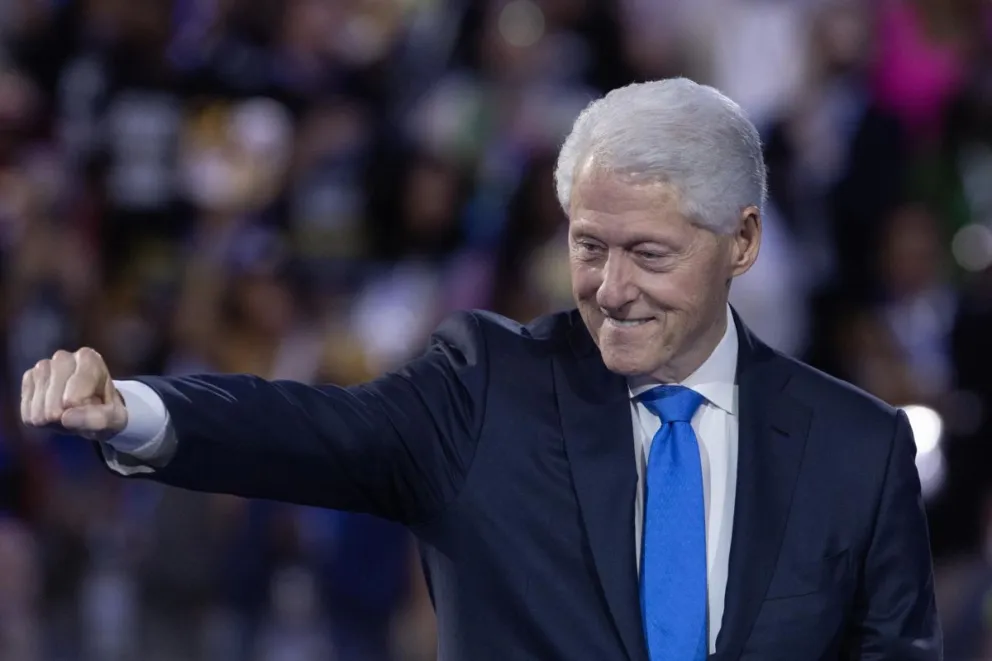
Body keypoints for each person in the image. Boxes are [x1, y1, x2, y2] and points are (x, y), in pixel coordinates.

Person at [20, 78, 941, 660]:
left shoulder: (858, 448)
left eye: (649, 254)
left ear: (741, 241)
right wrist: (132, 409)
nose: (611, 287)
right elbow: (310, 429)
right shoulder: (484, 388)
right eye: (589, 246)